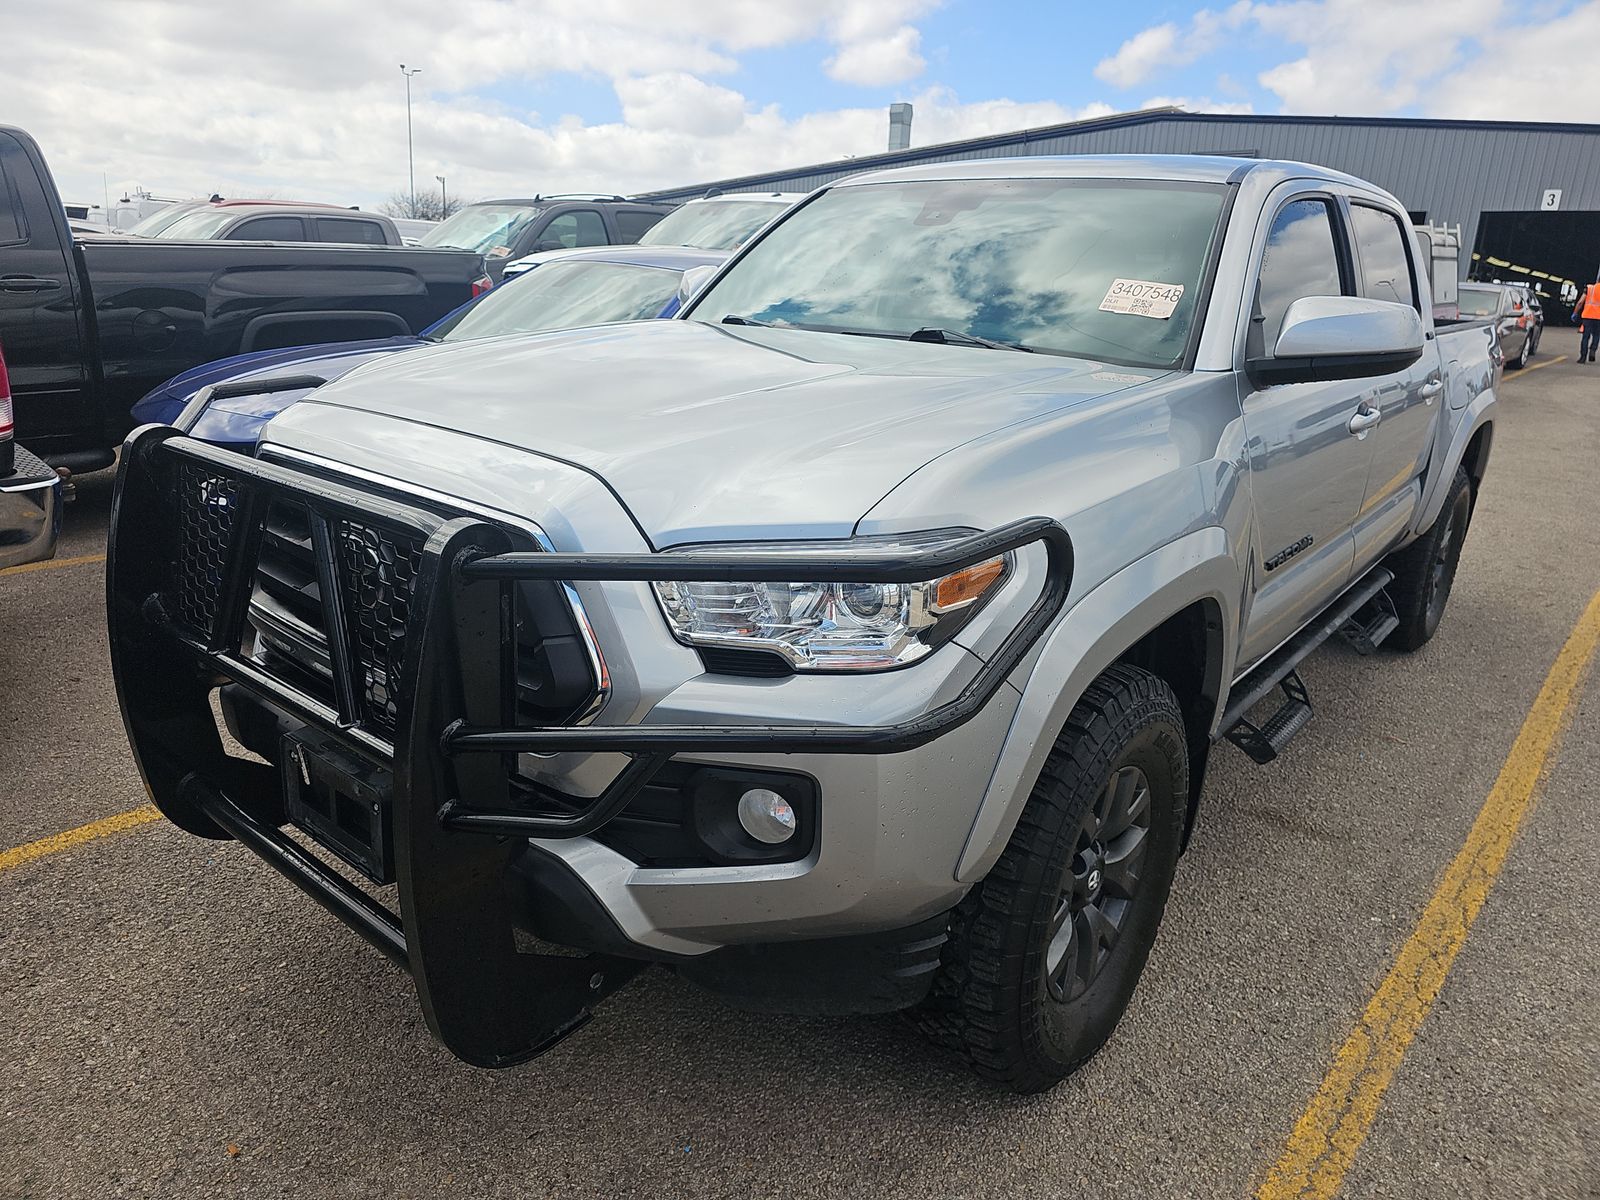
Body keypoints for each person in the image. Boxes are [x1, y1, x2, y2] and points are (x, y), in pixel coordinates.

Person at [1577, 279, 1600, 363]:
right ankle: (1592, 350)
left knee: (1585, 337)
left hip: (1587, 316)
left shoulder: (1589, 288)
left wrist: (1575, 312)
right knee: (1596, 335)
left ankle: (1583, 357)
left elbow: (1580, 302)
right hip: (1599, 318)